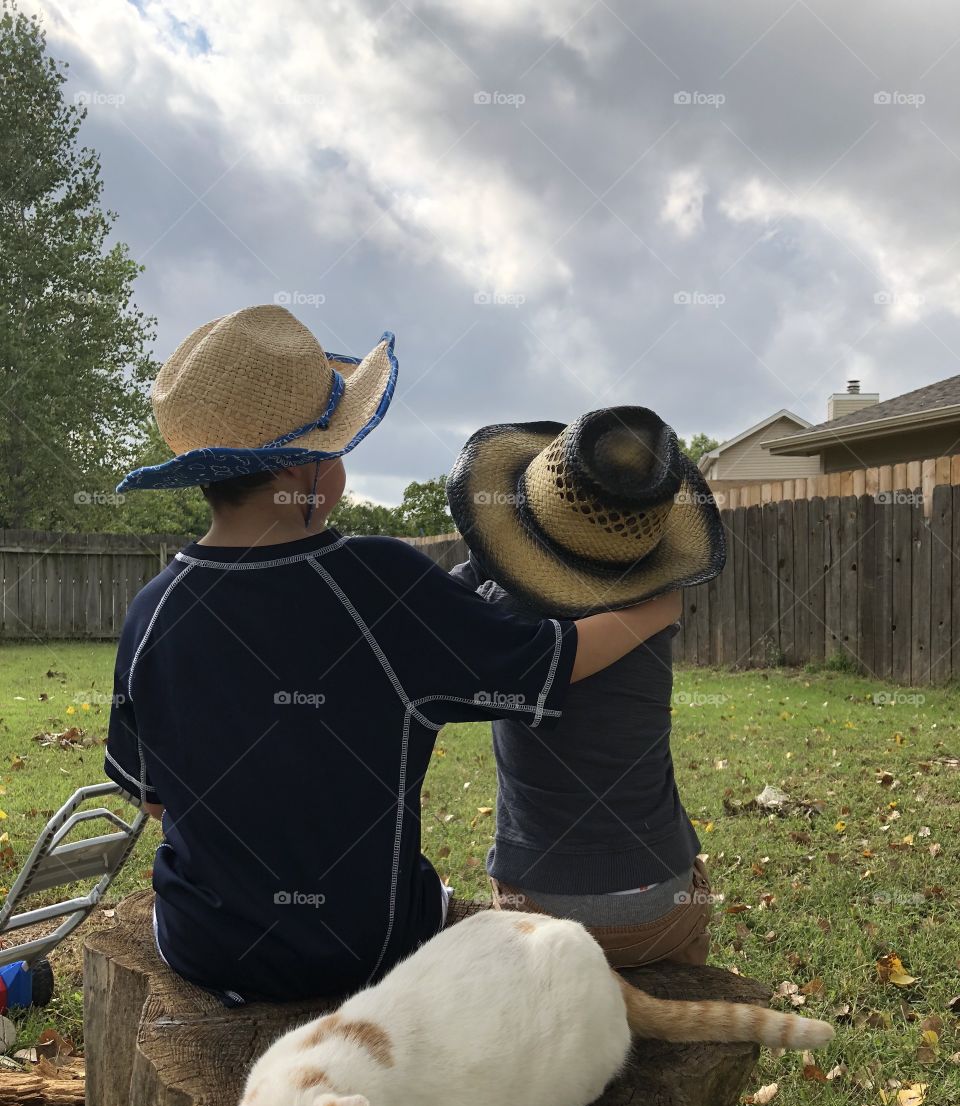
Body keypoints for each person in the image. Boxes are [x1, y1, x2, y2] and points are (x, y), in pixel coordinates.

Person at [104, 307, 680, 1005]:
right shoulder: (381, 583)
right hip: (366, 948)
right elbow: (550, 660)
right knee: (429, 894)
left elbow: (156, 802)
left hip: (201, 946)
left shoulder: (151, 611)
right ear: (304, 468)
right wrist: (656, 609)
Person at [446, 405, 726, 967]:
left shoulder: (495, 622)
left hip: (541, 916)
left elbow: (441, 607)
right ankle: (688, 968)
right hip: (661, 907)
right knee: (692, 913)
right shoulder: (652, 606)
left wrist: (492, 547)